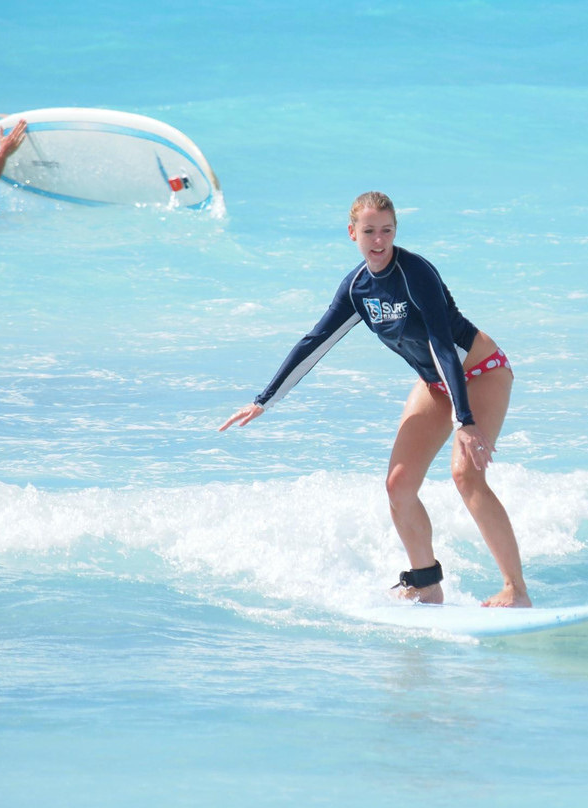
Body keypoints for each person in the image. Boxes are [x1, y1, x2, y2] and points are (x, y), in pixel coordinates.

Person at [219, 191, 531, 608]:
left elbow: (441, 343)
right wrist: (264, 400)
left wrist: (465, 420)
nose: (379, 240)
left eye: (386, 230)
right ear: (352, 234)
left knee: (466, 475)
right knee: (398, 485)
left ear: (396, 232)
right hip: (435, 382)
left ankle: (516, 589)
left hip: (480, 372)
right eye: (369, 232)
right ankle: (427, 583)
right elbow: (315, 343)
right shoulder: (357, 289)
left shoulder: (415, 273)